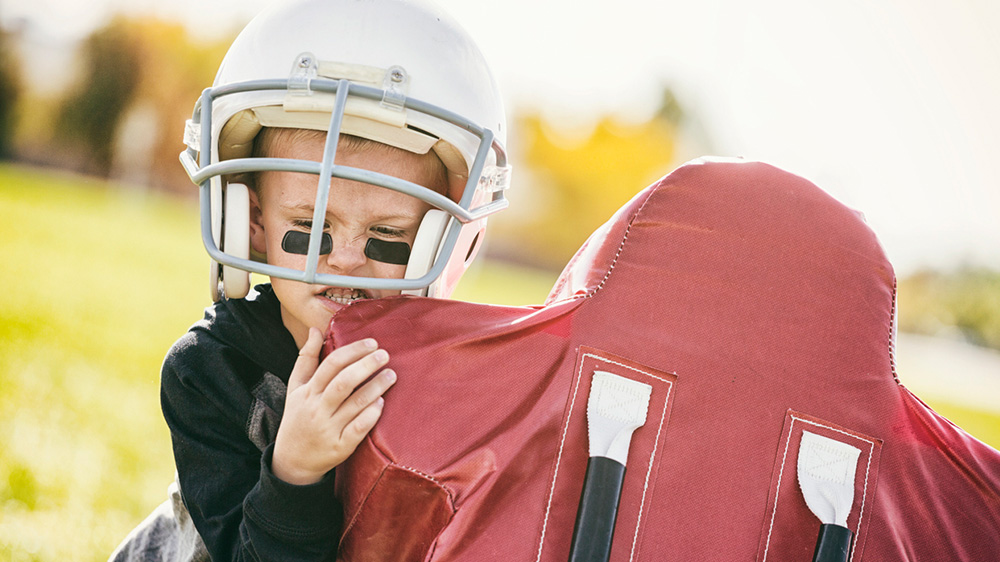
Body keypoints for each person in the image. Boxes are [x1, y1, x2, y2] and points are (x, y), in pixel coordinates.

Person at [109, 0, 511, 560]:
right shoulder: (209, 372)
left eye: (387, 235)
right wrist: (293, 470)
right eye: (310, 226)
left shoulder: (459, 385)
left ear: (448, 238)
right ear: (250, 223)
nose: (345, 259)